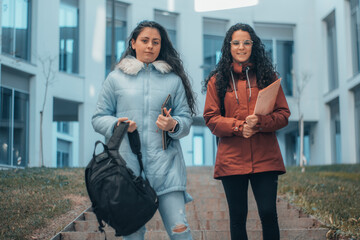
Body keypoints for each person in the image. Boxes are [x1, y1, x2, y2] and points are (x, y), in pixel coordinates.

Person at [92, 20, 196, 240]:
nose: (150, 46)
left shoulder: (173, 80)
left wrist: (173, 125)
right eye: (145, 40)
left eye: (155, 42)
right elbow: (98, 118)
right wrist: (116, 125)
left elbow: (186, 119)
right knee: (133, 234)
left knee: (180, 230)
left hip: (167, 168)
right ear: (133, 43)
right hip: (127, 170)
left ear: (161, 46)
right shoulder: (115, 78)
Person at [203, 23, 291, 240]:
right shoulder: (218, 80)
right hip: (232, 159)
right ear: (228, 46)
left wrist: (260, 122)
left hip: (266, 157)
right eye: (236, 43)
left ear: (254, 46)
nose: (241, 47)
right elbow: (211, 118)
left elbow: (283, 114)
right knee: (237, 216)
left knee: (269, 213)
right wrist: (239, 126)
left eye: (246, 42)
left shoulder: (268, 76)